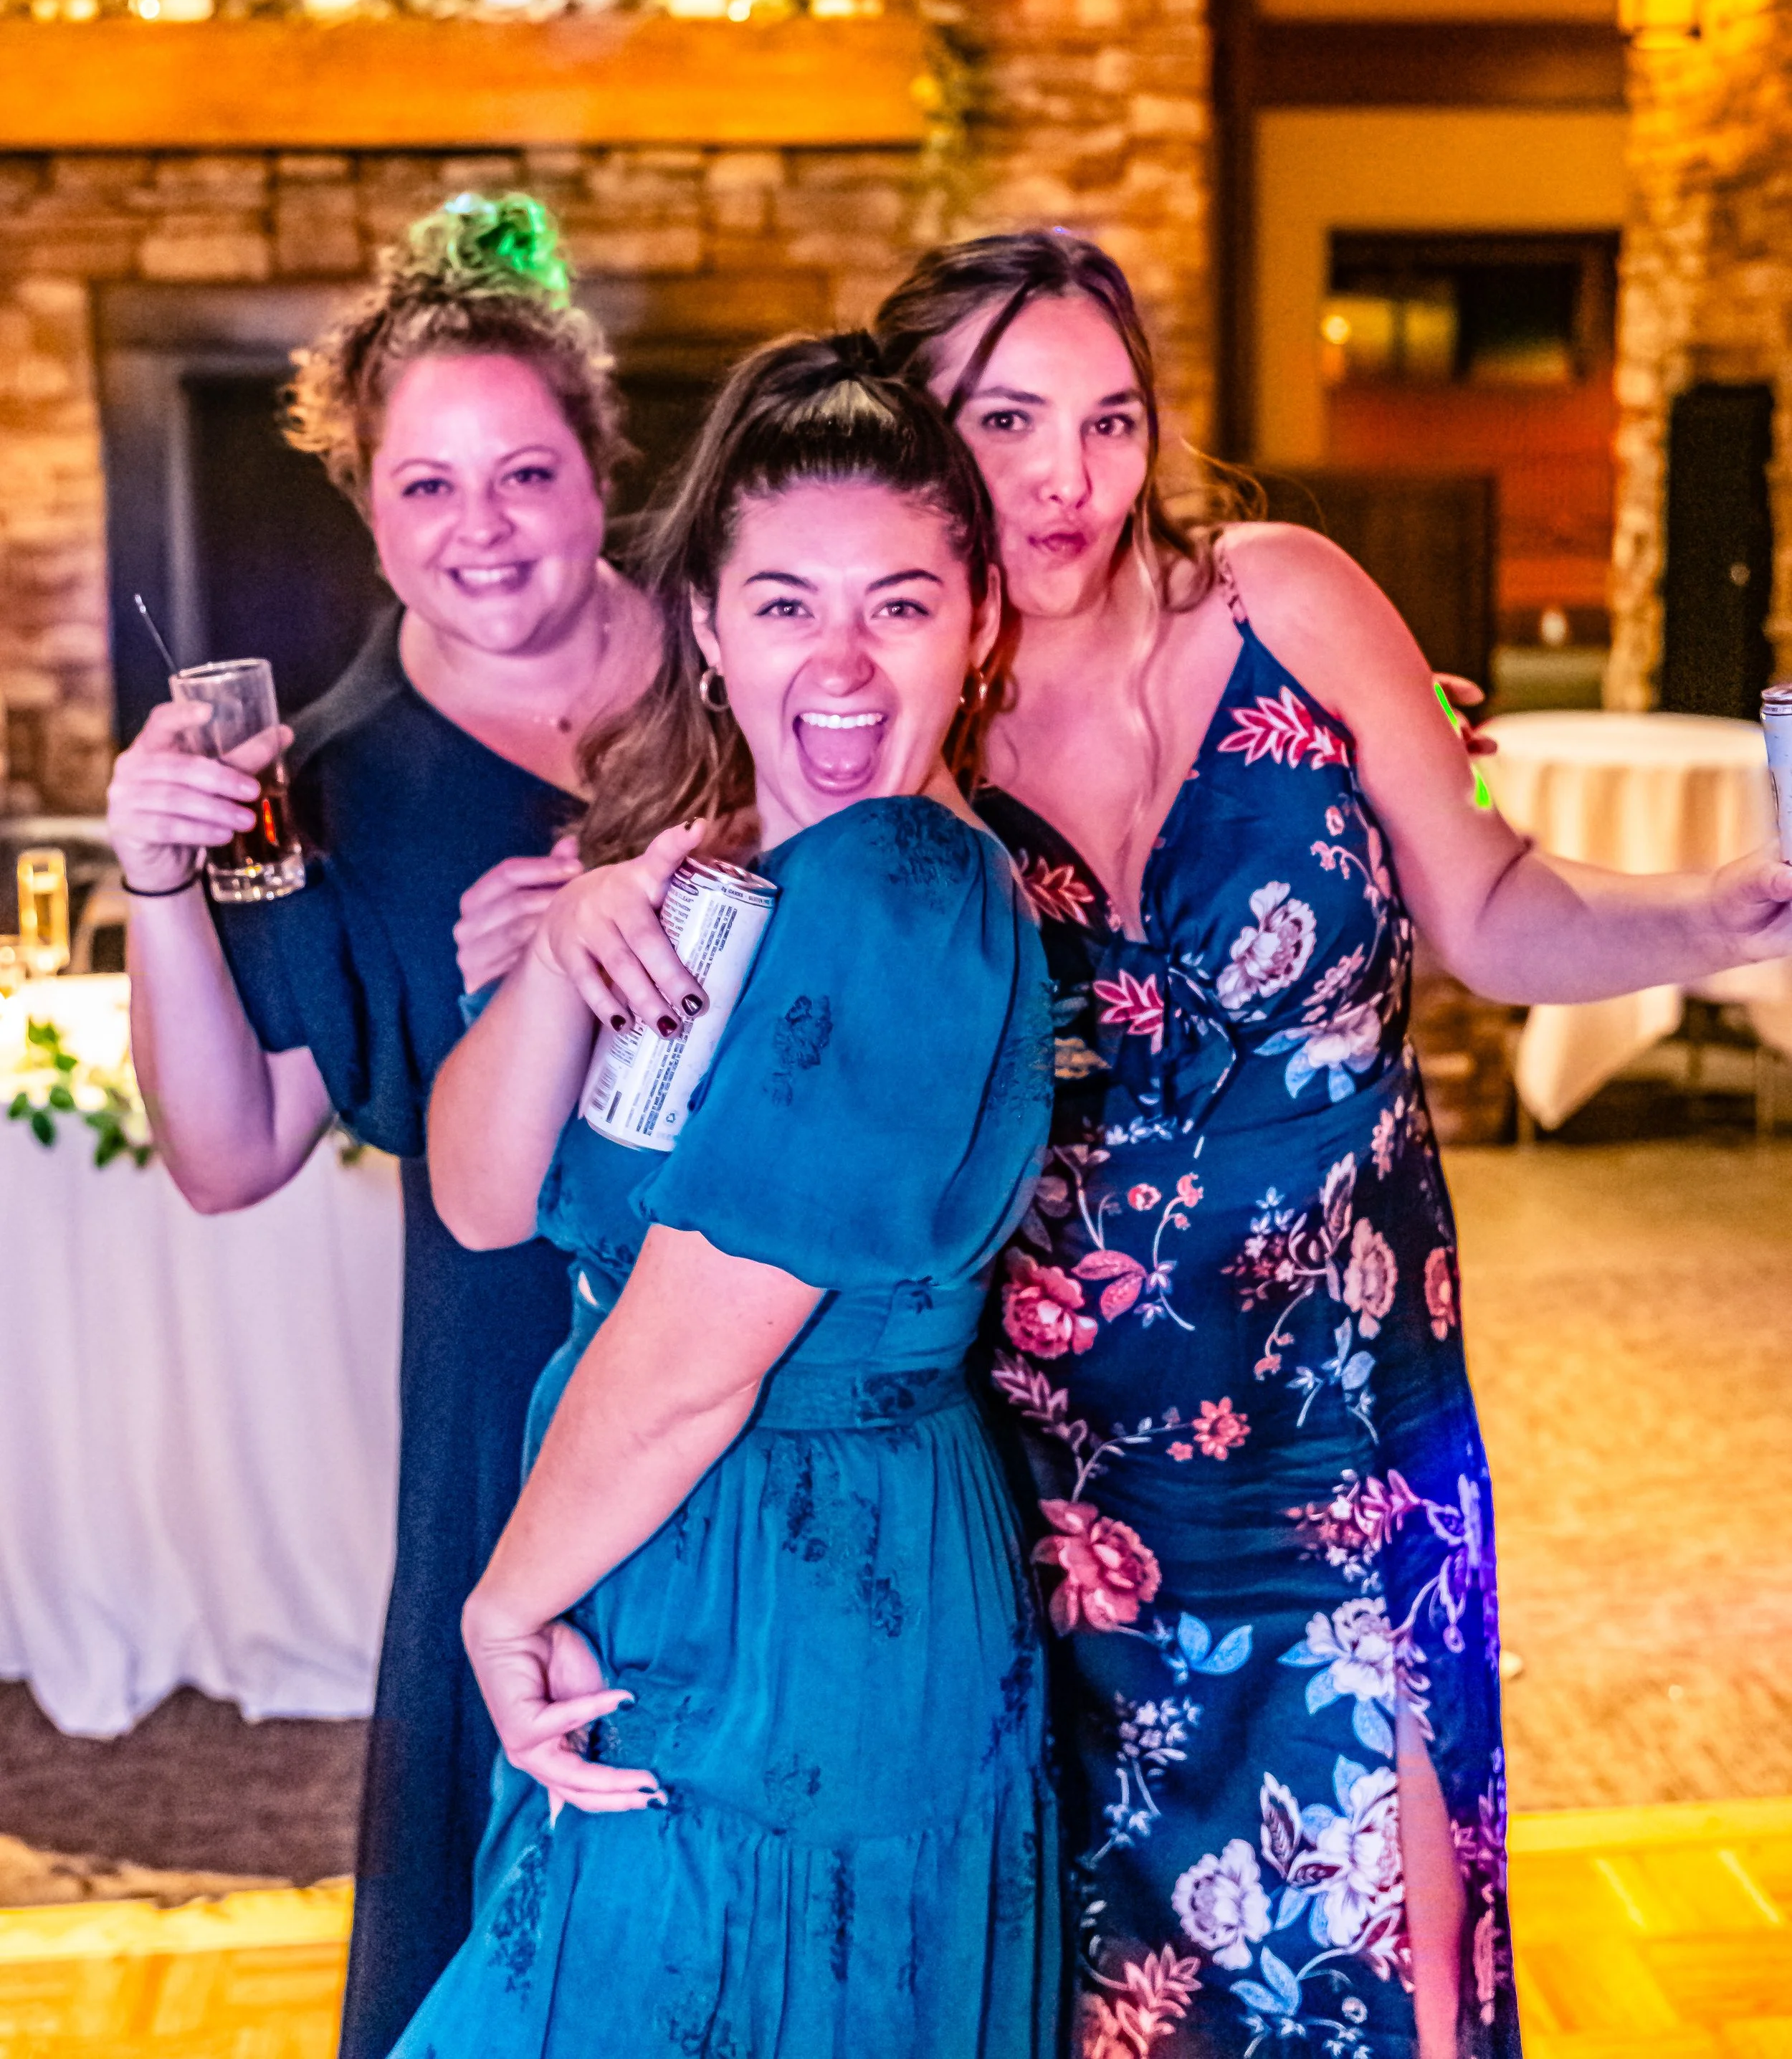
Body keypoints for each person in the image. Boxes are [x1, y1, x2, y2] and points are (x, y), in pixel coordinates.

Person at [890, 230, 1792, 2059]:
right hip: (1058, 1487)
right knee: (1112, 1992)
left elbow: (1493, 908)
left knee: (1401, 1962)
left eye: (1109, 421)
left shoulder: (1282, 602)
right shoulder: (898, 704)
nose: (1067, 479)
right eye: (1005, 422)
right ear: (912, 432)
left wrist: (1721, 910)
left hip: (1352, 1435)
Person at [403, 336, 1059, 2059]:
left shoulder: (901, 887)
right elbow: (477, 1200)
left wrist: (500, 1603)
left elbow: (695, 1355)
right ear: (703, 626)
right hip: (649, 1566)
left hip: (811, 1611)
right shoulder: (715, 882)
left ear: (980, 623)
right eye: (783, 606)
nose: (838, 663)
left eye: (898, 606)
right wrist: (560, 951)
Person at [104, 194, 659, 2059]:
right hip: (517, 1379)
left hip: (816, 1333)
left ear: (598, 466)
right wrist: (160, 886)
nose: (480, 526)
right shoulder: (327, 791)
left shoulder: (753, 663)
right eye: (427, 485)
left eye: (523, 472)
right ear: (364, 505)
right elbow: (229, 1154)